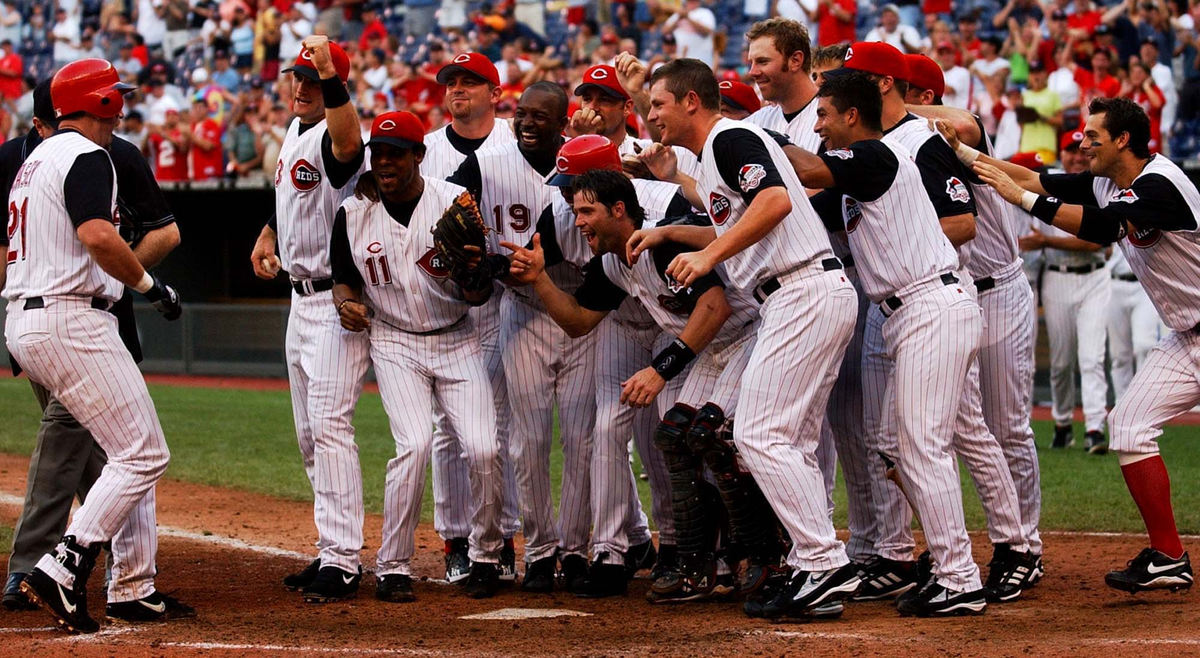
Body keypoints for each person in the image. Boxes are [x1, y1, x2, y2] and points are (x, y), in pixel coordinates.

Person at [633, 58, 862, 620]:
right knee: (789, 440)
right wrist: (671, 231)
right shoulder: (712, 160)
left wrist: (709, 254)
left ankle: (825, 563)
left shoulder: (732, 135)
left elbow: (776, 200)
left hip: (801, 287)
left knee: (757, 433)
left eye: (658, 103)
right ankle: (815, 566)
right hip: (799, 290)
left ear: (692, 100)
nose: (651, 114)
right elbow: (730, 222)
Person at [949, 96, 1198, 595]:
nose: (1083, 144)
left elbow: (1103, 228)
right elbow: (1032, 179)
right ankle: (1170, 557)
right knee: (1127, 427)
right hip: (1187, 336)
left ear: (1123, 140)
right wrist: (965, 155)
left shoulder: (1160, 183)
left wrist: (1018, 199)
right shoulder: (1111, 181)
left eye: (1093, 137)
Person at [504, 168, 780, 604]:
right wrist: (539, 279)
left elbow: (716, 305)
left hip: (750, 335)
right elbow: (578, 322)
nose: (578, 222)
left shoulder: (660, 244)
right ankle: (694, 561)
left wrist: (659, 370)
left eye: (587, 211)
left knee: (712, 435)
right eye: (575, 212)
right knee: (674, 436)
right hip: (707, 349)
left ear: (618, 210)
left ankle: (763, 553)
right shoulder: (613, 262)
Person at [793, 69, 989, 616]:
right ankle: (952, 566)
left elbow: (806, 166)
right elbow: (791, 209)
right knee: (905, 447)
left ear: (851, 115)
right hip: (912, 312)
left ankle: (959, 577)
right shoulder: (860, 179)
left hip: (931, 305)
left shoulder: (877, 155)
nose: (818, 124)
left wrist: (750, 142)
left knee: (922, 447)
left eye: (825, 114)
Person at [4, 59, 183, 634]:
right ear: (97, 102)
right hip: (70, 318)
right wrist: (152, 286)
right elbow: (99, 235)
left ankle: (130, 585)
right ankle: (64, 565)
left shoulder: (36, 159)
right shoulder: (86, 154)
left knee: (123, 453)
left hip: (33, 316)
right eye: (114, 97)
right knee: (143, 454)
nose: (122, 107)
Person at [328, 110, 505, 602]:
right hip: (394, 339)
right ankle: (393, 565)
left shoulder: (454, 203)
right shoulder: (353, 212)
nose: (384, 161)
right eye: (378, 153)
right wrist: (345, 303)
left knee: (485, 448)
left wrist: (473, 271)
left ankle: (487, 555)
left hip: (456, 336)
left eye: (395, 153)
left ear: (418, 156)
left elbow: (479, 295)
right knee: (414, 446)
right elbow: (344, 277)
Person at [448, 82, 595, 594]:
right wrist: (481, 260)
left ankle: (576, 552)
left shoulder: (584, 162)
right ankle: (539, 551)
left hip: (583, 314)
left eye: (541, 116)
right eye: (522, 113)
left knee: (581, 441)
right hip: (524, 312)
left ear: (564, 122)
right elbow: (445, 208)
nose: (528, 122)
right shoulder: (486, 166)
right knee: (527, 443)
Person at [533, 138, 694, 598]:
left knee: (664, 434)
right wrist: (528, 272)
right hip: (620, 322)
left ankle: (678, 543)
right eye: (565, 189)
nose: (567, 200)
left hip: (677, 324)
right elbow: (574, 310)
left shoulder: (667, 201)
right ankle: (609, 551)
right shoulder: (565, 218)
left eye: (576, 190)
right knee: (606, 429)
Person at [248, 36, 370, 604]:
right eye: (297, 77)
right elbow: (290, 200)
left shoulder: (332, 132)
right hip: (299, 301)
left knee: (328, 426)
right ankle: (330, 548)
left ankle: (344, 560)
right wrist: (269, 232)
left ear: (333, 88)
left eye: (313, 80)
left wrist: (332, 74)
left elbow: (349, 143)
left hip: (335, 300)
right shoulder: (297, 130)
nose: (300, 87)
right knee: (307, 435)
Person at [419, 51, 522, 586]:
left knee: (499, 426)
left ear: (495, 92)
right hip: (450, 301)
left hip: (514, 297)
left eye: (471, 82)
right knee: (448, 428)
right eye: (451, 82)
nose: (458, 89)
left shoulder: (516, 139)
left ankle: (501, 535)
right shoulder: (428, 151)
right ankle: (455, 538)